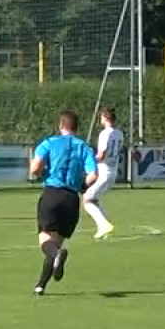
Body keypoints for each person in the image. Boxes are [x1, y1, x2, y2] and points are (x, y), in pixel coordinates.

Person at [28, 111, 96, 296]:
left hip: (52, 194)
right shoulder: (84, 147)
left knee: (46, 242)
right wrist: (82, 186)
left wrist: (41, 174)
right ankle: (40, 286)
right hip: (71, 199)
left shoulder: (49, 143)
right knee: (56, 243)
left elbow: (35, 168)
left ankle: (56, 257)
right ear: (76, 127)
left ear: (60, 126)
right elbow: (93, 175)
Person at [82, 106, 123, 239]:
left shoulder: (105, 134)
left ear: (105, 118)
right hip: (112, 171)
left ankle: (104, 225)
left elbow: (101, 155)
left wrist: (89, 160)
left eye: (101, 117)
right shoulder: (119, 133)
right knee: (94, 199)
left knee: (87, 199)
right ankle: (104, 228)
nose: (100, 120)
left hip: (104, 171)